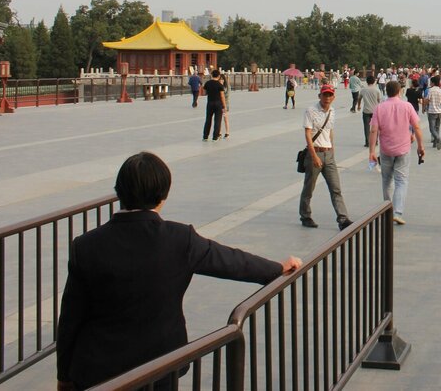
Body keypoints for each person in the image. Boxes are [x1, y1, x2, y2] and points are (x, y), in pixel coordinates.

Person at [56, 152, 300, 391]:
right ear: (163, 196)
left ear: (119, 191)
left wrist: (64, 374)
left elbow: (70, 319)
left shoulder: (86, 246)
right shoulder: (180, 239)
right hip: (161, 365)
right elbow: (232, 261)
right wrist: (277, 268)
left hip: (99, 371)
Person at [369, 81, 424, 226]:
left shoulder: (379, 108)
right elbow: (416, 127)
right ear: (400, 91)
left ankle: (387, 210)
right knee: (401, 181)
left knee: (387, 180)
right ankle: (397, 212)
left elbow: (374, 130)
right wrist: (420, 146)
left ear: (386, 91)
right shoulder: (407, 106)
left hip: (386, 150)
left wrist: (371, 152)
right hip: (403, 149)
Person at [299, 84, 352, 230]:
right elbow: (308, 134)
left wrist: (332, 150)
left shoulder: (333, 111)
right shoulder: (311, 111)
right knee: (309, 188)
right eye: (325, 95)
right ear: (319, 96)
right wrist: (314, 155)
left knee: (336, 188)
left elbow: (329, 131)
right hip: (314, 153)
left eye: (330, 95)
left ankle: (343, 218)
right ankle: (305, 215)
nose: (327, 98)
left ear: (333, 97)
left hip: (328, 154)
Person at [201, 70, 226, 141]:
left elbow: (204, 92)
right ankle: (215, 137)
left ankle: (205, 136)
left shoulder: (208, 83)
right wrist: (224, 106)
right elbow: (222, 96)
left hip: (210, 103)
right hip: (218, 104)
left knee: (208, 119)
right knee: (217, 120)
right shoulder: (220, 85)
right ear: (218, 76)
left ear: (211, 75)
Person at [423, 75, 441, 150]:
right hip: (439, 112)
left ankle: (438, 139)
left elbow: (426, 100)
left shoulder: (430, 90)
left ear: (433, 83)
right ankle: (435, 143)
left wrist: (424, 107)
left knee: (432, 129)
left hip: (431, 112)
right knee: (437, 128)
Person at [359, 74, 382, 147]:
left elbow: (359, 98)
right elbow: (379, 101)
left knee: (366, 127)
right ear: (374, 81)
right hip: (375, 111)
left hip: (366, 110)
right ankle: (375, 141)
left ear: (367, 81)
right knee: (375, 126)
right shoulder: (377, 90)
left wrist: (359, 106)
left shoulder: (363, 90)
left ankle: (367, 142)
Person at [219, 73, 231, 138]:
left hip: (225, 105)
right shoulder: (218, 86)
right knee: (219, 119)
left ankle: (227, 132)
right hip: (219, 105)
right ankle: (219, 132)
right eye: (220, 79)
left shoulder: (227, 87)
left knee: (225, 119)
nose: (221, 80)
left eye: (222, 79)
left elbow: (227, 95)